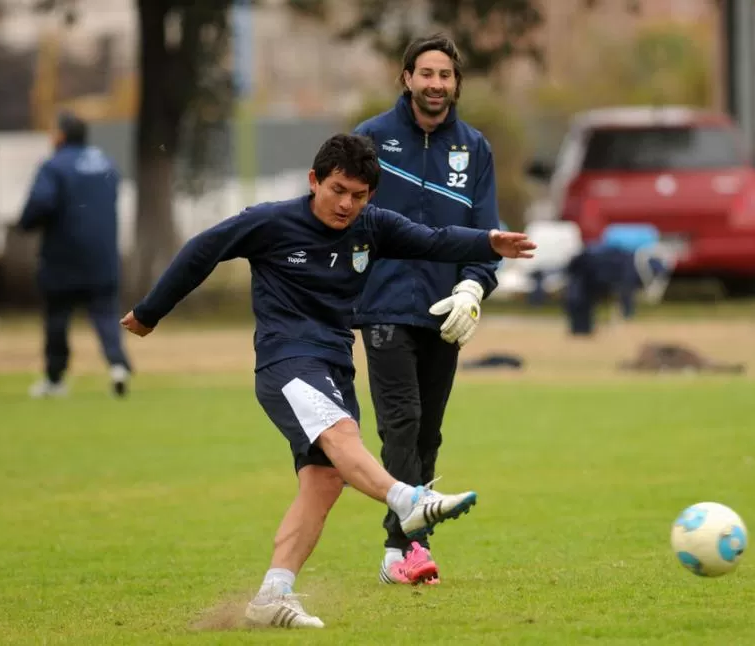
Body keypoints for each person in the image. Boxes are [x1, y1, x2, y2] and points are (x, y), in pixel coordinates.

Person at [118, 134, 535, 629]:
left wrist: (489, 242)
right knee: (343, 436)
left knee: (324, 480)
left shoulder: (371, 227)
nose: (346, 204)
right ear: (314, 181)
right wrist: (149, 312)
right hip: (287, 361)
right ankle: (410, 500)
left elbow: (434, 239)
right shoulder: (270, 222)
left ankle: (272, 595)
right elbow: (202, 250)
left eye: (359, 196)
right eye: (338, 190)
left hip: (335, 363)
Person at [352, 34, 501, 586]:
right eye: (426, 74)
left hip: (445, 312)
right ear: (406, 78)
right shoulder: (370, 138)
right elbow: (340, 215)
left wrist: (472, 290)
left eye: (445, 75)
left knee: (428, 434)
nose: (435, 84)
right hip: (383, 306)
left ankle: (402, 547)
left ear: (456, 83)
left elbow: (487, 235)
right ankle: (405, 549)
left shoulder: (475, 148)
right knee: (401, 422)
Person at [17, 111, 132, 398]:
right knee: (106, 315)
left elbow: (40, 204)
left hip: (63, 258)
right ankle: (118, 366)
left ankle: (55, 380)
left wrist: (26, 223)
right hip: (103, 257)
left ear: (62, 135)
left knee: (57, 318)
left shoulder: (54, 166)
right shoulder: (106, 162)